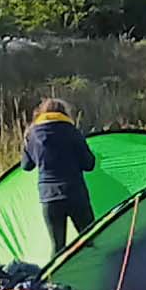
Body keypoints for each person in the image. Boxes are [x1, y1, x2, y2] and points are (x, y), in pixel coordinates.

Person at [22, 97, 98, 253]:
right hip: (75, 193)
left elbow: (26, 166)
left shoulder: (32, 135)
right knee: (91, 240)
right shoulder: (72, 132)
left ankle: (56, 277)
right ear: (64, 113)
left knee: (57, 247)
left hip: (49, 197)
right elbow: (89, 164)